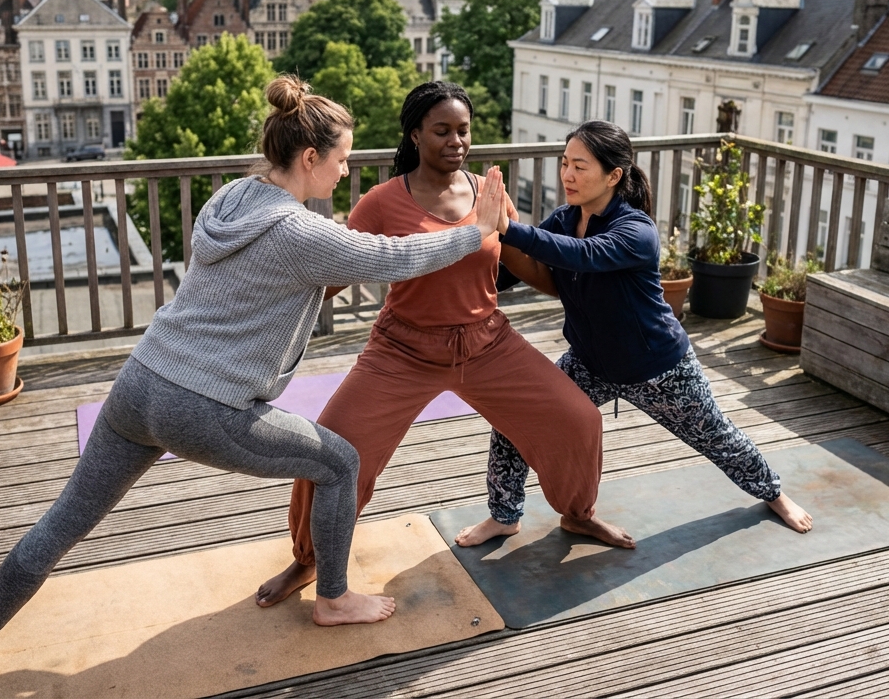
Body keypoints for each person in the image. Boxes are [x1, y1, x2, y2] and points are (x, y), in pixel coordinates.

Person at [0, 76, 510, 682]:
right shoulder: (301, 232)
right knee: (340, 463)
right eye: (342, 159)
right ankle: (334, 599)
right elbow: (392, 258)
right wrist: (475, 230)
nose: (346, 171)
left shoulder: (231, 199)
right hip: (203, 405)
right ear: (310, 158)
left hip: (139, 382)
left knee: (63, 523)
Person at [256, 83, 633, 608]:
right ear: (415, 135)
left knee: (578, 419)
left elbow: (532, 269)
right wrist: (261, 300)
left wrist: (608, 290)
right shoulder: (381, 202)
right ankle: (308, 557)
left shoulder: (488, 193)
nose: (456, 141)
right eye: (442, 130)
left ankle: (577, 513)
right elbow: (332, 275)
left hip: (486, 343)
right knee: (330, 449)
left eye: (463, 130)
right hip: (403, 350)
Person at [454, 120, 813, 548]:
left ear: (614, 176)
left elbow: (583, 256)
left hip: (657, 367)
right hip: (590, 363)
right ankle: (504, 515)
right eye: (564, 164)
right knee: (516, 420)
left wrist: (508, 228)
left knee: (718, 437)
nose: (568, 175)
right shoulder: (565, 219)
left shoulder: (636, 230)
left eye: (580, 167)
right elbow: (515, 269)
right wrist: (458, 287)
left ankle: (774, 494)